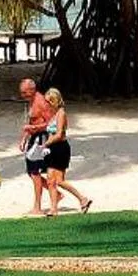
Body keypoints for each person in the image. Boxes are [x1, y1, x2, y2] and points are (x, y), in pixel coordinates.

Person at [41, 87, 91, 215]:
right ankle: (53, 209)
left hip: (60, 148)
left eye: (48, 101)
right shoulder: (53, 115)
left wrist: (46, 143)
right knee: (50, 179)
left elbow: (59, 134)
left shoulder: (61, 113)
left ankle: (82, 198)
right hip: (52, 148)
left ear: (54, 101)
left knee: (59, 181)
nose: (46, 104)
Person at [18, 77, 55, 215]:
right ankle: (56, 195)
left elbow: (51, 123)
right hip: (34, 136)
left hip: (42, 137)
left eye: (25, 92)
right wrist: (24, 139)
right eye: (21, 92)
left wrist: (34, 127)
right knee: (31, 171)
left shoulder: (41, 102)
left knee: (35, 172)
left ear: (32, 90)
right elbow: (31, 120)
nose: (22, 96)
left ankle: (37, 207)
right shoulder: (31, 101)